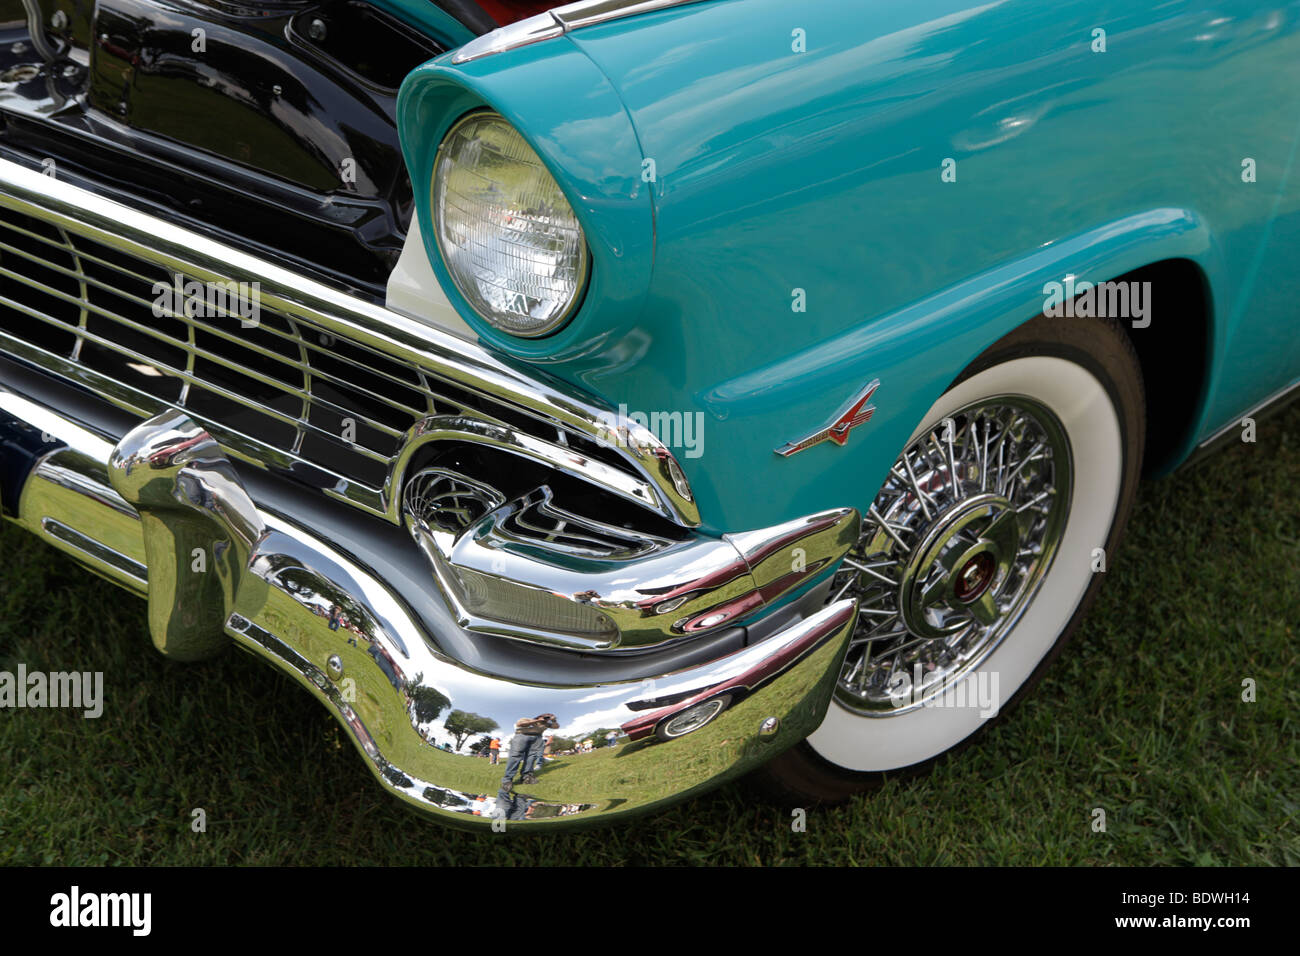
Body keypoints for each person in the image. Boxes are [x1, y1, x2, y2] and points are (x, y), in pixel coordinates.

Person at [498, 713, 559, 796]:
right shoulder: (527, 719)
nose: (547, 719)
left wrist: (554, 720)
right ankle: (507, 780)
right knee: (515, 756)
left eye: (548, 717)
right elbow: (520, 724)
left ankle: (526, 777)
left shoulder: (546, 724)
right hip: (522, 736)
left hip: (537, 738)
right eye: (545, 717)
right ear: (539, 716)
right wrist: (537, 721)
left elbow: (556, 726)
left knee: (531, 757)